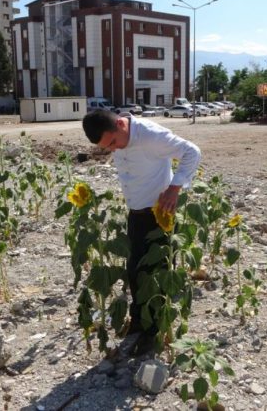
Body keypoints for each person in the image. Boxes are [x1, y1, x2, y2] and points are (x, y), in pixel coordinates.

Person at [82, 110, 201, 354]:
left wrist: (175, 188)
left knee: (155, 275)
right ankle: (139, 322)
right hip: (136, 215)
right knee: (135, 271)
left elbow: (192, 152)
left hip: (158, 215)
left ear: (120, 124)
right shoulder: (119, 138)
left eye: (113, 142)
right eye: (108, 148)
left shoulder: (150, 135)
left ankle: (153, 333)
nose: (114, 149)